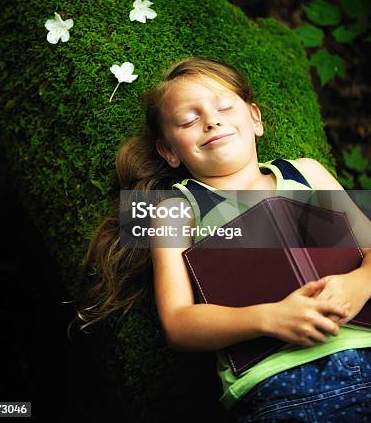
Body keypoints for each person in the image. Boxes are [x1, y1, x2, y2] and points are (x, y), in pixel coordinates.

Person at [75, 56, 371, 421]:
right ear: (168, 151)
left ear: (255, 119)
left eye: (225, 107)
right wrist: (270, 318)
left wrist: (360, 282)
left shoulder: (307, 172)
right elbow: (178, 323)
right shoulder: (173, 209)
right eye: (188, 120)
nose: (212, 120)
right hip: (281, 388)